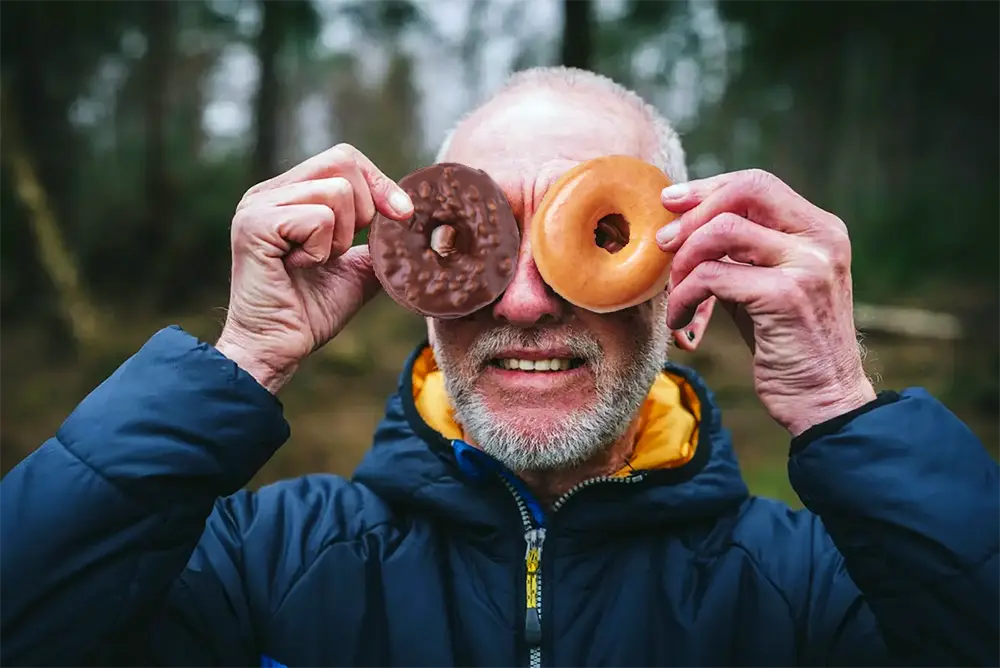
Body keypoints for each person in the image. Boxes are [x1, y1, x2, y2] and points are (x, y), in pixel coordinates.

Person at [0, 66, 997, 668]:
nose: (522, 302)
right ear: (407, 263)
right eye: (473, 240)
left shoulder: (819, 590)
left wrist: (839, 405)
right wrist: (240, 359)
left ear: (686, 277)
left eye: (593, 234)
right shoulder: (258, 564)